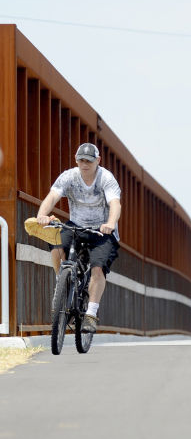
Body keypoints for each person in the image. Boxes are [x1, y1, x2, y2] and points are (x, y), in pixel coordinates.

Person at [36, 142, 121, 333]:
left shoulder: (106, 178)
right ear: (76, 160)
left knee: (98, 269)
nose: (85, 164)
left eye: (89, 161)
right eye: (81, 160)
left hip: (102, 230)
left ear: (98, 161)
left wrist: (111, 223)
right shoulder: (69, 176)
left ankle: (91, 314)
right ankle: (62, 283)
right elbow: (52, 197)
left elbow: (115, 203)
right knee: (57, 243)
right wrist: (41, 215)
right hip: (76, 225)